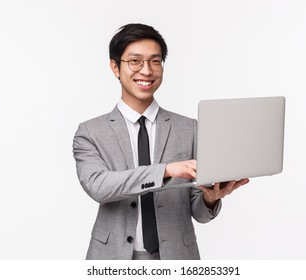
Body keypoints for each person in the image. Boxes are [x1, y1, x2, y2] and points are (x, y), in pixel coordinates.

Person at [72, 23, 249, 260]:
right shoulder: (91, 132)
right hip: (111, 257)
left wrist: (210, 198)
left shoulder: (190, 128)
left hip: (177, 256)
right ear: (115, 66)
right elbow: (99, 187)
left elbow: (199, 213)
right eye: (135, 61)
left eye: (155, 61)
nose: (146, 70)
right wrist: (164, 170)